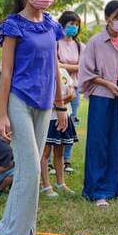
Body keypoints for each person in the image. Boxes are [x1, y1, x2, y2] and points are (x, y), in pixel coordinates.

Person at [0, 0, 67, 235]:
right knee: (32, 172)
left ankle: (3, 233)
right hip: (19, 102)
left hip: (45, 103)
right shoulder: (14, 25)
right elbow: (5, 72)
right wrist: (1, 116)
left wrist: (61, 106)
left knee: (27, 171)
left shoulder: (51, 25)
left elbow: (56, 68)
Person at [78, 0, 118, 207]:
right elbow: (86, 72)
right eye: (117, 18)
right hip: (102, 95)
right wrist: (108, 84)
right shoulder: (95, 42)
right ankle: (98, 191)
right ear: (107, 19)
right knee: (100, 142)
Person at [40, 66, 78, 198]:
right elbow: (44, 100)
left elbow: (73, 93)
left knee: (59, 152)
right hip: (48, 118)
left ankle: (60, 183)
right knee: (44, 153)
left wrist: (61, 101)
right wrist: (64, 99)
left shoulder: (63, 71)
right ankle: (45, 186)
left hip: (64, 116)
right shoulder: (43, 71)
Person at [56, 10, 85, 173]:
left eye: (76, 25)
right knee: (55, 121)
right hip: (58, 89)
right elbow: (54, 64)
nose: (73, 27)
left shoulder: (81, 46)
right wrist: (72, 66)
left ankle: (66, 159)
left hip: (74, 89)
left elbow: (84, 67)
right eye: (71, 24)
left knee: (71, 121)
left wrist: (63, 65)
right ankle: (52, 159)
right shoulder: (56, 43)